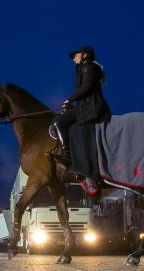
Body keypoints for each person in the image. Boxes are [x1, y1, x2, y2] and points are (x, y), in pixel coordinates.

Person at [53, 45, 111, 192]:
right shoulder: (83, 68)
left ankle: (68, 157)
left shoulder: (90, 67)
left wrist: (70, 99)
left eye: (76, 55)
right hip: (84, 107)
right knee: (64, 122)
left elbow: (87, 87)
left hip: (92, 108)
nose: (74, 58)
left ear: (84, 55)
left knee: (59, 122)